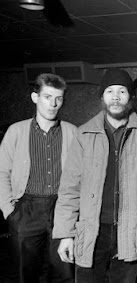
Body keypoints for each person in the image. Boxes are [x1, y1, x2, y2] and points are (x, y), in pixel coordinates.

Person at [52, 68, 137, 283]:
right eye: (109, 91)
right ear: (102, 97)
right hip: (91, 233)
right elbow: (70, 188)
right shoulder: (84, 134)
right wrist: (65, 234)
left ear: (131, 97)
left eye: (122, 91)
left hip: (131, 231)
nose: (115, 97)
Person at [0, 73, 76, 282]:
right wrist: (9, 211)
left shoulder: (72, 132)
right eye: (47, 97)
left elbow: (80, 176)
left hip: (61, 208)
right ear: (35, 97)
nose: (53, 104)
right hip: (26, 209)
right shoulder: (16, 131)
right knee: (26, 273)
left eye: (58, 98)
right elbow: (2, 171)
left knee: (64, 273)